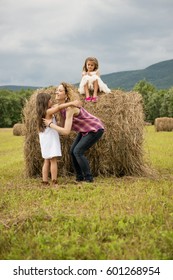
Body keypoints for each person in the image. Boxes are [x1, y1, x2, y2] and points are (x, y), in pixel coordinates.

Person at [43, 82, 104, 183]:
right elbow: (62, 124)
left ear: (66, 95)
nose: (56, 92)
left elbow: (66, 131)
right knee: (72, 151)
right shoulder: (61, 107)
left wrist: (50, 125)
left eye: (60, 90)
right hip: (84, 130)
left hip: (95, 128)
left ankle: (88, 178)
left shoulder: (70, 109)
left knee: (78, 151)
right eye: (57, 90)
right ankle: (79, 178)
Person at [36, 92, 81, 186]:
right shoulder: (48, 112)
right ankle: (54, 181)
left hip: (44, 140)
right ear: (45, 102)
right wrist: (71, 103)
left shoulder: (41, 113)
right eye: (50, 100)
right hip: (50, 139)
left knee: (46, 160)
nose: (52, 101)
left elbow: (57, 106)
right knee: (53, 160)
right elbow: (59, 107)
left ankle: (44, 181)